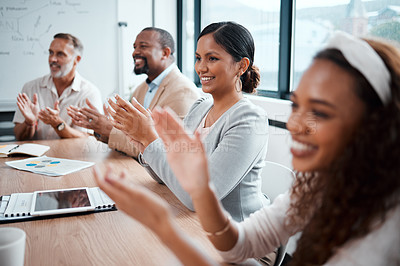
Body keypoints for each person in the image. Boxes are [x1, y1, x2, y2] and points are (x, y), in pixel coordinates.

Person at [94, 31, 400, 266]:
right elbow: (237, 242)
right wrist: (183, 192)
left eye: (319, 111)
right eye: (297, 105)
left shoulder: (387, 234)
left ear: (375, 123)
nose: (294, 125)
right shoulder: (316, 188)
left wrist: (168, 223)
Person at [106, 22, 270, 222]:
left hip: (240, 235)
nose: (201, 68)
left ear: (242, 66)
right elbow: (165, 178)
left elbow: (199, 198)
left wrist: (150, 139)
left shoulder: (250, 120)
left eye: (212, 58)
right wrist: (143, 143)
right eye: (198, 58)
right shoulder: (200, 106)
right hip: (196, 224)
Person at [67, 27, 199, 158]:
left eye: (143, 46)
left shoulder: (183, 91)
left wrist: (108, 129)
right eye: (134, 47)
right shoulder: (141, 88)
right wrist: (102, 126)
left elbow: (163, 149)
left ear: (165, 53)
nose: (135, 52)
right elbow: (129, 135)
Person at [13, 33, 102, 141]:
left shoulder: (89, 93)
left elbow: (88, 138)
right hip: (35, 157)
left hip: (72, 157)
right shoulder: (31, 88)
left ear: (76, 60)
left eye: (60, 54)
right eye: (51, 53)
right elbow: (19, 137)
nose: (52, 59)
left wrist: (58, 124)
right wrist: (29, 123)